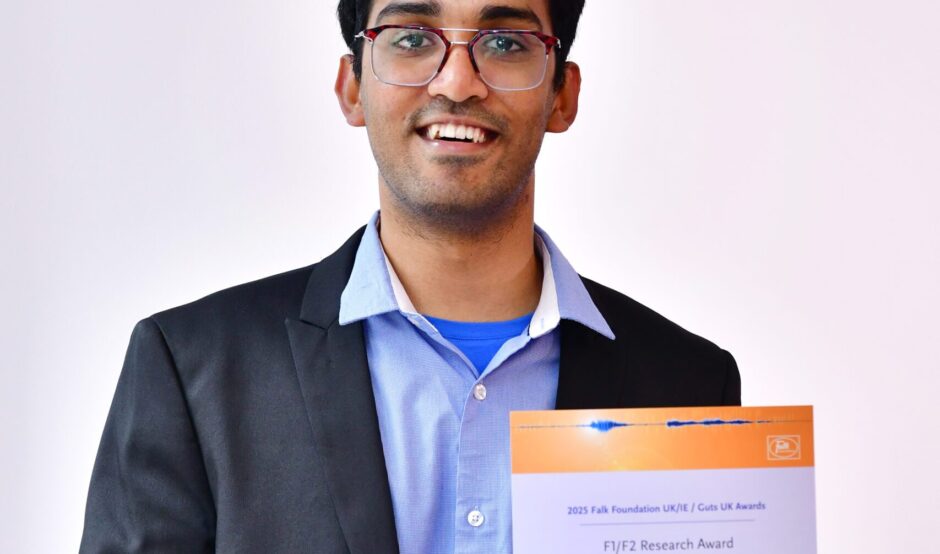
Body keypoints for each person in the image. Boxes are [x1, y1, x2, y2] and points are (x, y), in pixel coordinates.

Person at [80, 0, 741, 552]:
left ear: (562, 96)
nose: (458, 82)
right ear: (352, 88)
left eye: (506, 42)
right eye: (413, 38)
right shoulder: (194, 368)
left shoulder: (687, 387)